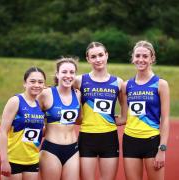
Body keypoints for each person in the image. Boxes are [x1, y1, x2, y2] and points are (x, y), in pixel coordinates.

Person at [74, 42, 123, 180]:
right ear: (88, 59)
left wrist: (106, 119)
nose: (98, 59)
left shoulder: (118, 83)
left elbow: (124, 117)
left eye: (101, 55)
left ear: (106, 55)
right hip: (87, 138)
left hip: (109, 138)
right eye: (93, 56)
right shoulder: (79, 81)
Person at [121, 40, 170, 180]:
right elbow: (124, 117)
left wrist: (162, 149)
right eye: (137, 56)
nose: (140, 59)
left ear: (152, 58)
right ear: (133, 58)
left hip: (152, 142)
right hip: (130, 140)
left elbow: (165, 120)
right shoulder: (126, 86)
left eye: (145, 56)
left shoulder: (161, 84)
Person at [37, 57, 81, 180]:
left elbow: (79, 119)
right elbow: (31, 115)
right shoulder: (46, 94)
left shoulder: (77, 95)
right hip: (51, 150)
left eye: (72, 72)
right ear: (57, 74)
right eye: (64, 72)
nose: (68, 75)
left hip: (72, 149)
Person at [0, 67, 46, 180]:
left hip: (32, 160)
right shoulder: (16, 101)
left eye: (40, 82)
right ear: (25, 83)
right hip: (13, 159)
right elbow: (3, 132)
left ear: (44, 85)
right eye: (32, 81)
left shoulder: (40, 104)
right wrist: (4, 161)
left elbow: (40, 133)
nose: (36, 85)